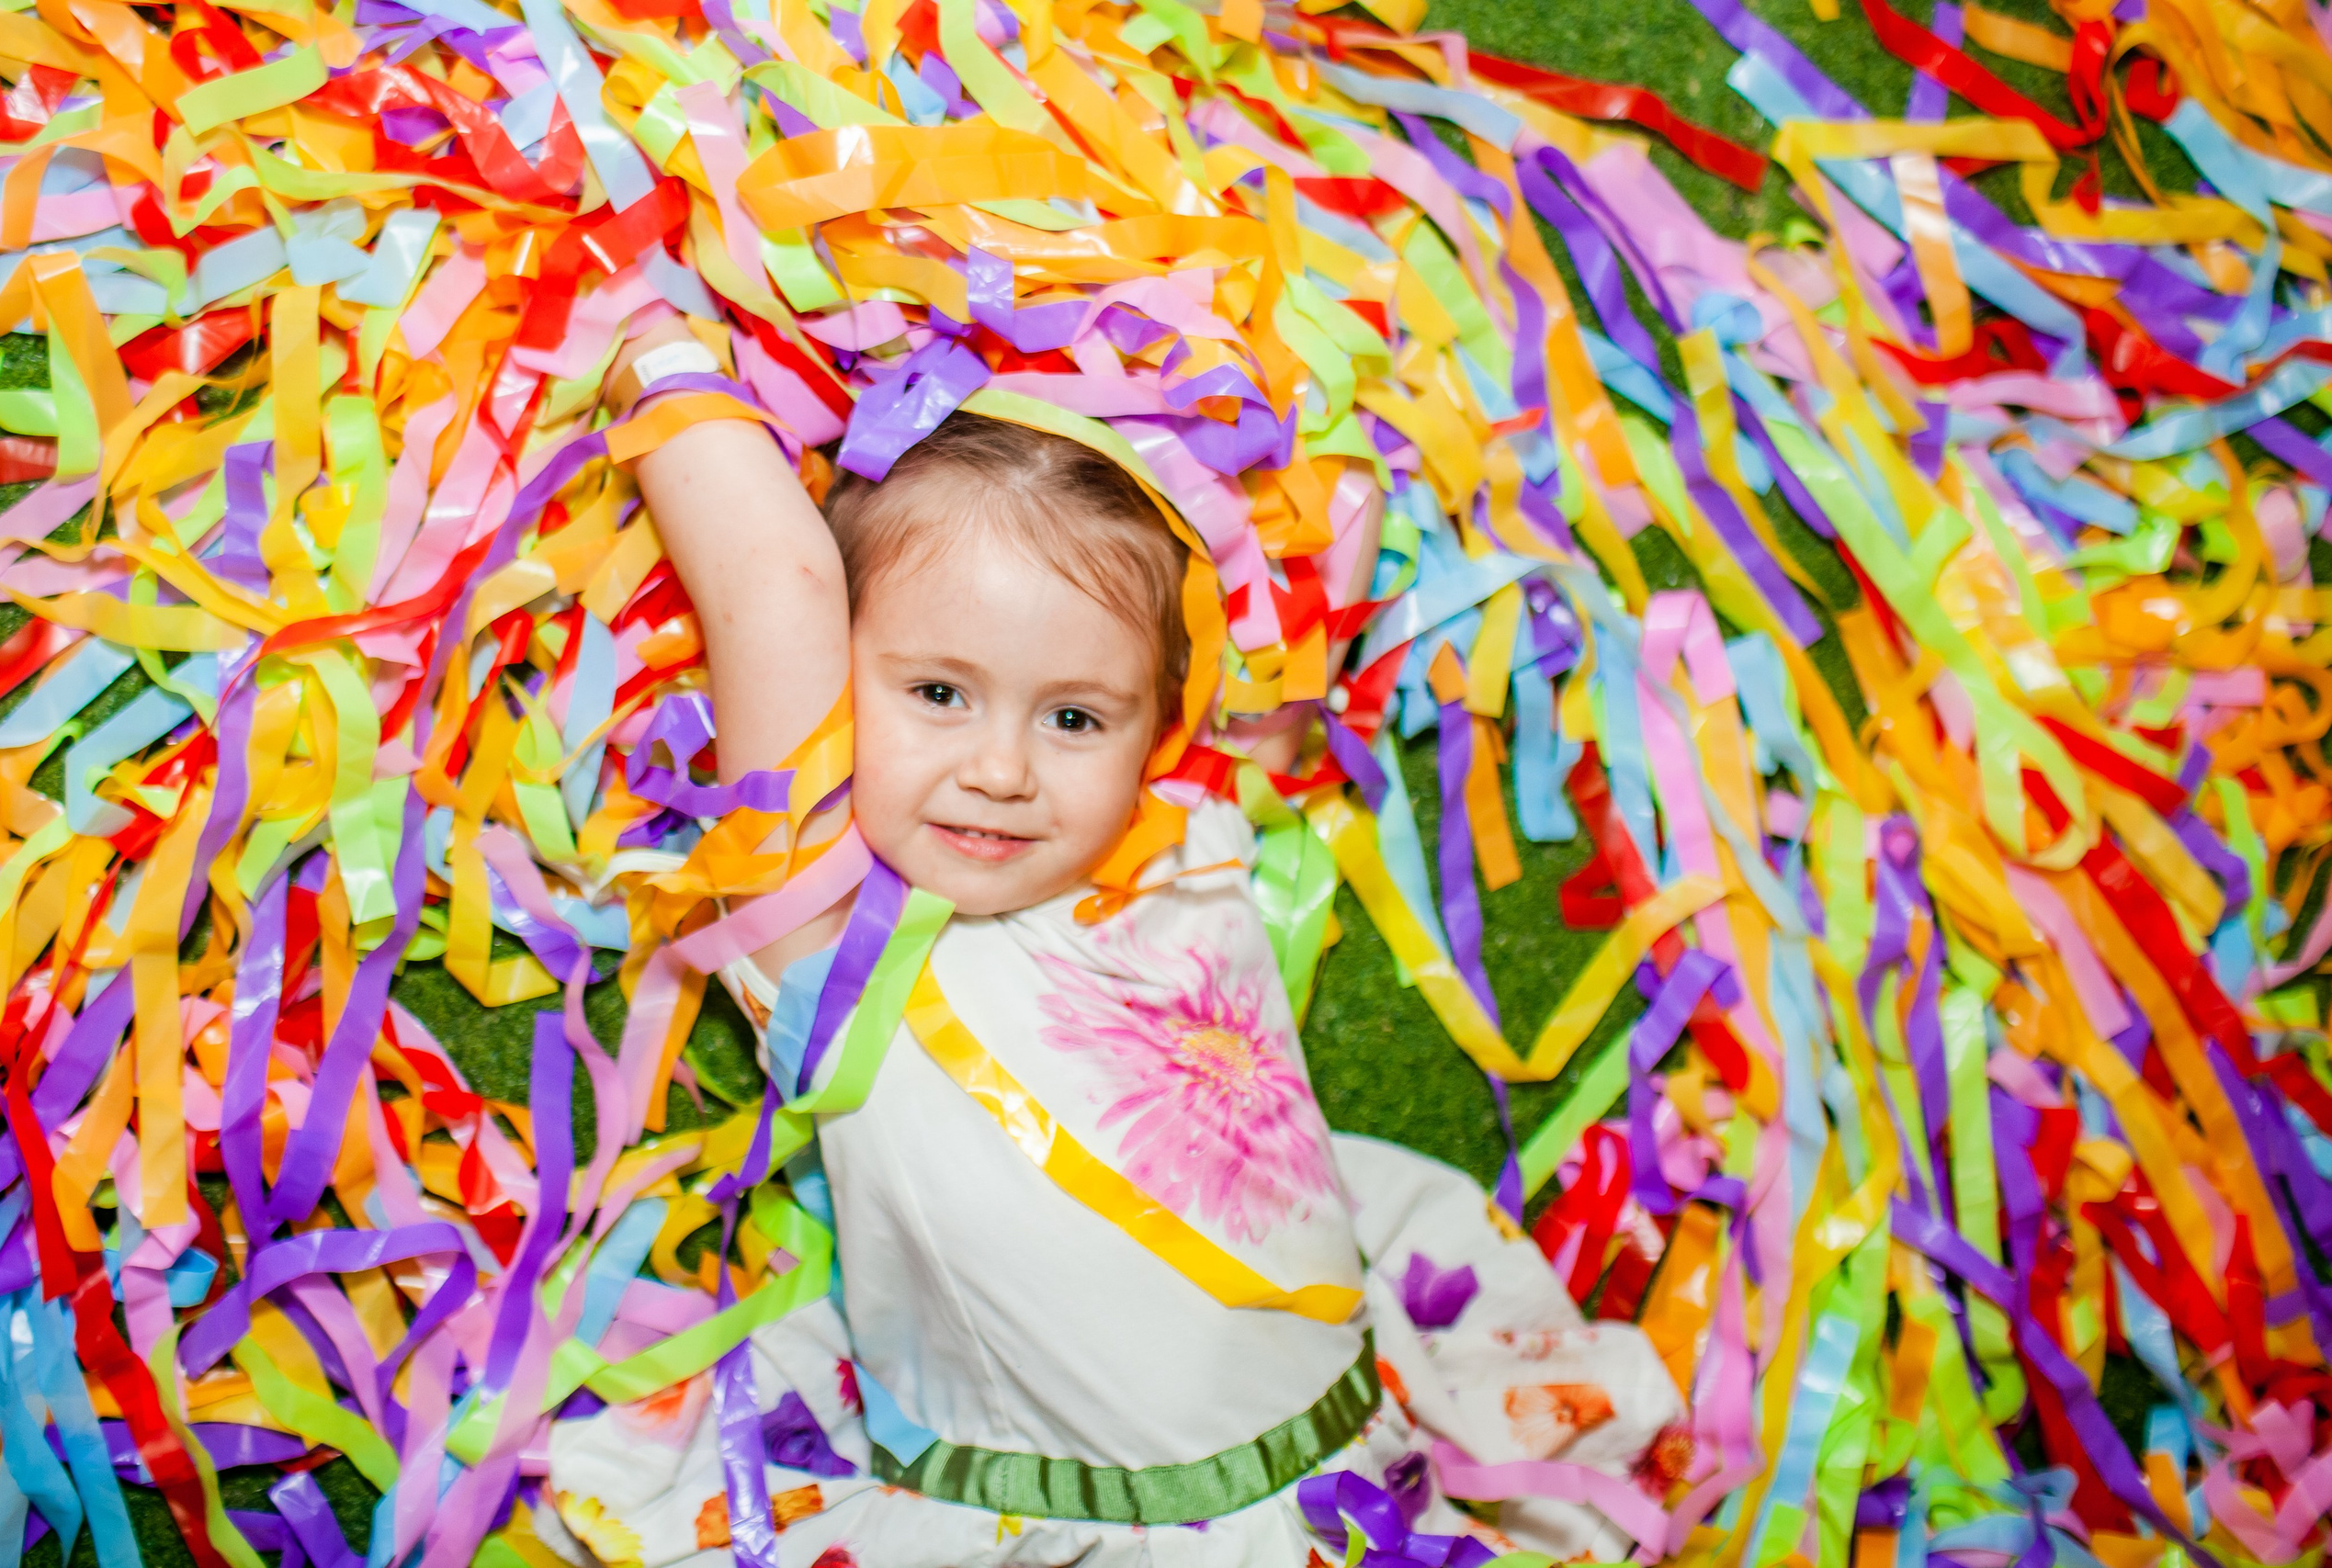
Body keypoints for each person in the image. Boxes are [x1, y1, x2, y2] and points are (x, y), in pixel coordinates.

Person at [535, 316, 1687, 1568]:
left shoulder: (1185, 842)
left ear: (1152, 728)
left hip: (1356, 1471)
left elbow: (1282, 669)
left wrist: (1341, 440)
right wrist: (651, 345)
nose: (1000, 769)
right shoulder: (826, 942)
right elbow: (777, 585)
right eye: (936, 692)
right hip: (1101, 1529)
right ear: (838, 685)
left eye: (1075, 715)